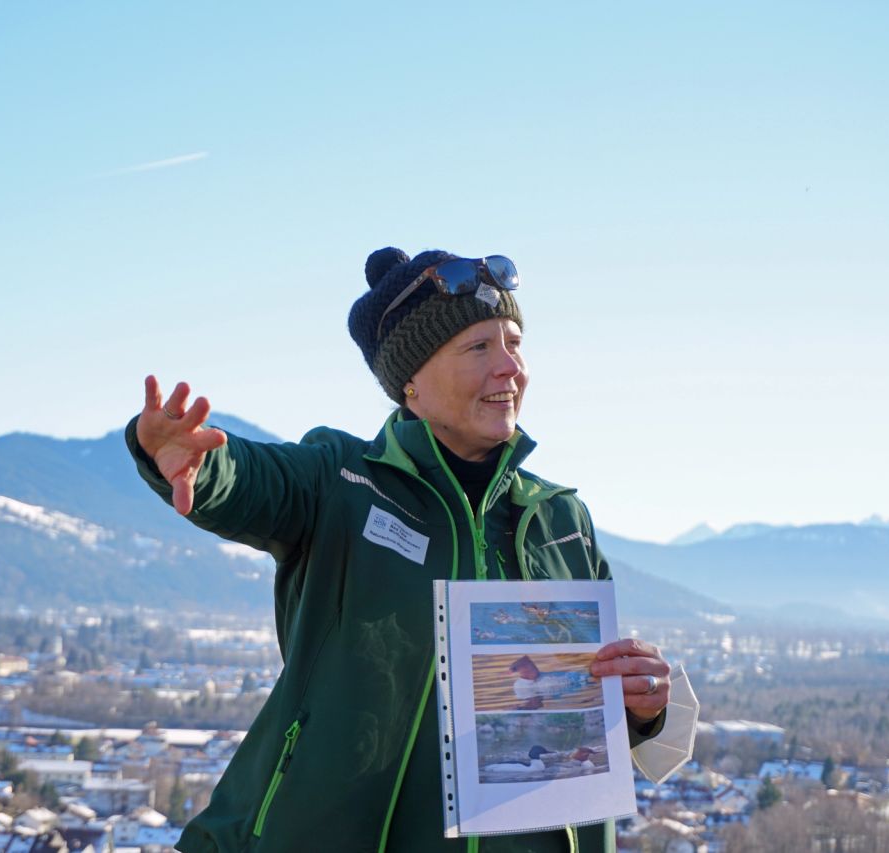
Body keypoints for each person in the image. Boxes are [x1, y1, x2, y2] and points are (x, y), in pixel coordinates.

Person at [128, 247, 685, 852]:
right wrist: (197, 464)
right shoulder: (341, 482)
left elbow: (584, 710)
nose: (510, 369)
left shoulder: (558, 518)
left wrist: (639, 706)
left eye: (515, 344)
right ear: (411, 384)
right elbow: (251, 479)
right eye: (479, 348)